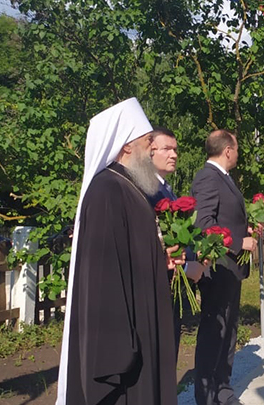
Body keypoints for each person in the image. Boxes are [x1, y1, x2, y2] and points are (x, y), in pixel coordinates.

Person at [56, 98, 178, 405]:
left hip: (144, 315)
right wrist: (118, 348)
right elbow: (103, 272)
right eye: (149, 142)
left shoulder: (132, 187)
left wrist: (157, 260)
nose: (154, 149)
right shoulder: (107, 190)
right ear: (126, 146)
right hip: (126, 335)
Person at [191, 129, 257, 405]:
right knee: (214, 333)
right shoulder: (208, 177)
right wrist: (237, 242)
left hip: (229, 270)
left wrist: (247, 228)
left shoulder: (223, 178)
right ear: (227, 150)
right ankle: (206, 396)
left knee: (228, 332)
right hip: (217, 268)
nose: (238, 153)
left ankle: (223, 390)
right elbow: (204, 224)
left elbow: (226, 217)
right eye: (237, 148)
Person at [147, 126, 205, 360]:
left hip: (173, 281)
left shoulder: (164, 188)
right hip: (160, 282)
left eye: (176, 149)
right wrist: (185, 267)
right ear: (150, 151)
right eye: (167, 149)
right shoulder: (148, 189)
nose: (174, 154)